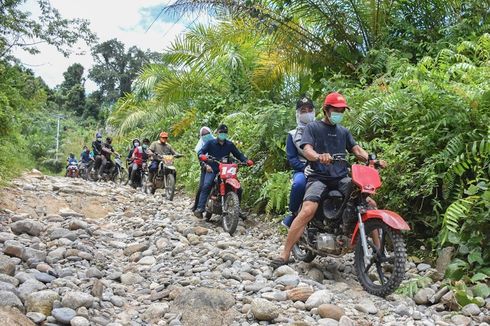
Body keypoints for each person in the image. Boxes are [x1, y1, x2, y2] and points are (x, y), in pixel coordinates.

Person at [271, 92, 386, 268]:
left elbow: (356, 150)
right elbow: (307, 149)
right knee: (308, 209)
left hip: (341, 177)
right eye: (336, 109)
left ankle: (379, 253)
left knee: (369, 203)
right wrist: (318, 156)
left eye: (342, 110)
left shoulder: (343, 131)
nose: (339, 113)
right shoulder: (313, 128)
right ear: (326, 110)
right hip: (319, 177)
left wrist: (372, 159)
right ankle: (284, 254)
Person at [194, 124, 253, 218]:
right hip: (214, 169)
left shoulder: (230, 145)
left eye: (225, 133)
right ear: (217, 133)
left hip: (227, 169)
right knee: (207, 185)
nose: (223, 134)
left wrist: (246, 161)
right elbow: (201, 152)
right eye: (221, 132)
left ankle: (237, 209)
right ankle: (200, 208)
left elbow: (239, 155)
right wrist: (203, 157)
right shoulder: (210, 143)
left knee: (239, 189)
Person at [282, 96, 315, 228]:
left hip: (323, 168)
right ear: (298, 114)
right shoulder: (292, 135)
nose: (307, 113)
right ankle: (294, 214)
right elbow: (292, 158)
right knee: (299, 184)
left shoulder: (321, 129)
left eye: (309, 110)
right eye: (303, 110)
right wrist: (303, 168)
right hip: (302, 169)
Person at [192, 127, 215, 211]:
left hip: (218, 165)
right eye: (204, 135)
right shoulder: (200, 146)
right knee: (202, 186)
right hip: (206, 167)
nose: (206, 137)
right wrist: (206, 166)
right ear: (201, 136)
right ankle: (197, 206)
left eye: (208, 135)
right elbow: (200, 159)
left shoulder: (216, 141)